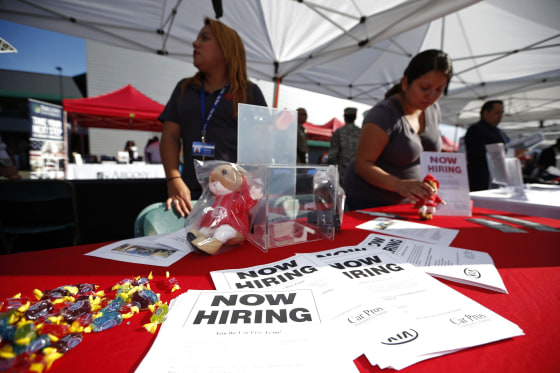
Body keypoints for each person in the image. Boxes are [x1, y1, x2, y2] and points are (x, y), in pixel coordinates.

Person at [159, 17, 267, 217]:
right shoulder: (184, 89)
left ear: (226, 50)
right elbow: (170, 136)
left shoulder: (248, 93)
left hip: (237, 201)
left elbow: (262, 150)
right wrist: (173, 179)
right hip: (188, 198)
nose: (195, 43)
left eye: (205, 38)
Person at [344, 49, 453, 210]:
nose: (431, 96)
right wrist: (399, 185)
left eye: (439, 90)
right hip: (370, 204)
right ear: (405, 83)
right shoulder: (384, 114)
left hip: (409, 205)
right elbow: (362, 164)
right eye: (424, 87)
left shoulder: (433, 109)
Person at [464, 100, 508, 191]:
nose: (500, 116)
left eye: (501, 113)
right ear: (486, 113)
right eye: (497, 113)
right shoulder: (475, 130)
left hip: (498, 179)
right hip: (481, 179)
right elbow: (476, 153)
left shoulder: (500, 132)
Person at [327, 107, 361, 188]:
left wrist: (329, 164)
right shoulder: (361, 132)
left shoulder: (339, 132)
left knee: (343, 193)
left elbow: (333, 153)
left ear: (345, 117)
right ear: (355, 118)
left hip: (343, 170)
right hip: (358, 169)